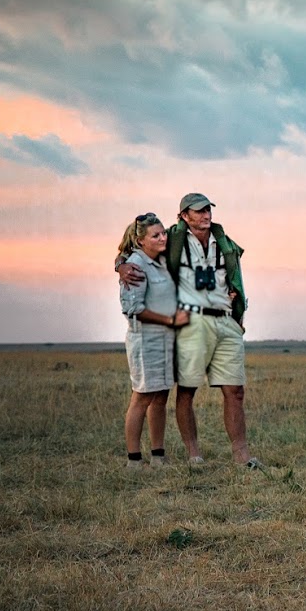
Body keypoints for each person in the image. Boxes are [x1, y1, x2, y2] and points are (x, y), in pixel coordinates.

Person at [119, 193, 257, 467]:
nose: (205, 215)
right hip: (191, 324)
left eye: (207, 209)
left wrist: (237, 310)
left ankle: (242, 457)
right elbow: (138, 247)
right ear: (184, 215)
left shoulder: (224, 241)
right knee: (187, 390)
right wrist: (121, 265)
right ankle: (193, 454)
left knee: (235, 390)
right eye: (198, 211)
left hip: (226, 320)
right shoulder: (172, 239)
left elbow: (234, 275)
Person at [116, 213, 191, 469]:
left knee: (160, 397)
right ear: (140, 240)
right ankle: (134, 460)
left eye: (163, 233)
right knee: (142, 397)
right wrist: (170, 320)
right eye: (155, 235)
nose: (162, 238)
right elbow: (134, 309)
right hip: (145, 339)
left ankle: (158, 456)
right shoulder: (135, 265)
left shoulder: (159, 261)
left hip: (165, 340)